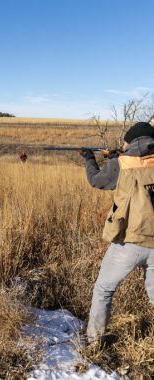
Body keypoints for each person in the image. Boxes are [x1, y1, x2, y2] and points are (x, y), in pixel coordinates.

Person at [80, 122, 154, 342]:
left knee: (104, 290)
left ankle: (94, 342)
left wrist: (90, 159)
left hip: (128, 243)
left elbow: (97, 181)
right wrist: (117, 155)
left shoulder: (120, 164)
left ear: (131, 141)